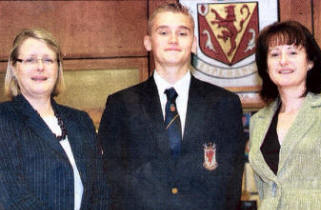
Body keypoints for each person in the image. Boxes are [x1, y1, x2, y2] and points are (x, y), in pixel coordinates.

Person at [98, 3, 245, 210]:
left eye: (182, 33)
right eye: (164, 32)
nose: (173, 40)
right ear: (148, 42)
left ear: (194, 43)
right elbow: (110, 182)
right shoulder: (120, 105)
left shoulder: (224, 104)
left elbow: (231, 186)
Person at [0, 28, 110, 209]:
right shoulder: (4, 120)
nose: (40, 67)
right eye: (30, 60)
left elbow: (100, 190)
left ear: (58, 68)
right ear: (14, 67)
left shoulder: (81, 121)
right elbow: (12, 195)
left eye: (48, 60)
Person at [249, 20, 321, 209]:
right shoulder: (258, 121)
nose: (283, 61)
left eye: (293, 52)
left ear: (310, 61)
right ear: (265, 65)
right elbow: (265, 190)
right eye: (275, 54)